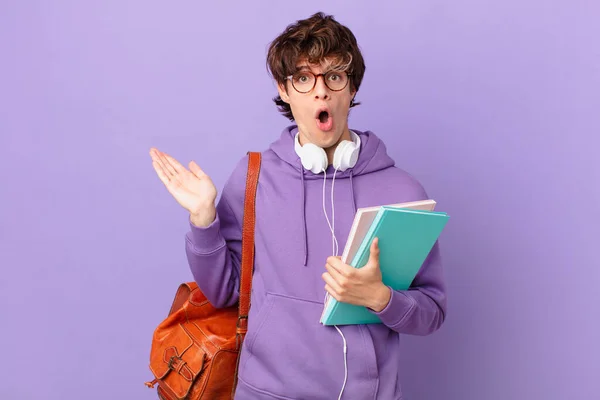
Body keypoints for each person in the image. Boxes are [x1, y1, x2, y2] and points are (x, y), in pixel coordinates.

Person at [149, 11, 446, 400]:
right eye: (304, 79)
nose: (320, 92)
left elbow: (432, 312)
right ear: (285, 90)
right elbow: (223, 292)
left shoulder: (402, 190)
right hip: (264, 392)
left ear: (351, 88)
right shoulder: (254, 177)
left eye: (334, 77)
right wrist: (203, 219)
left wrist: (380, 298)